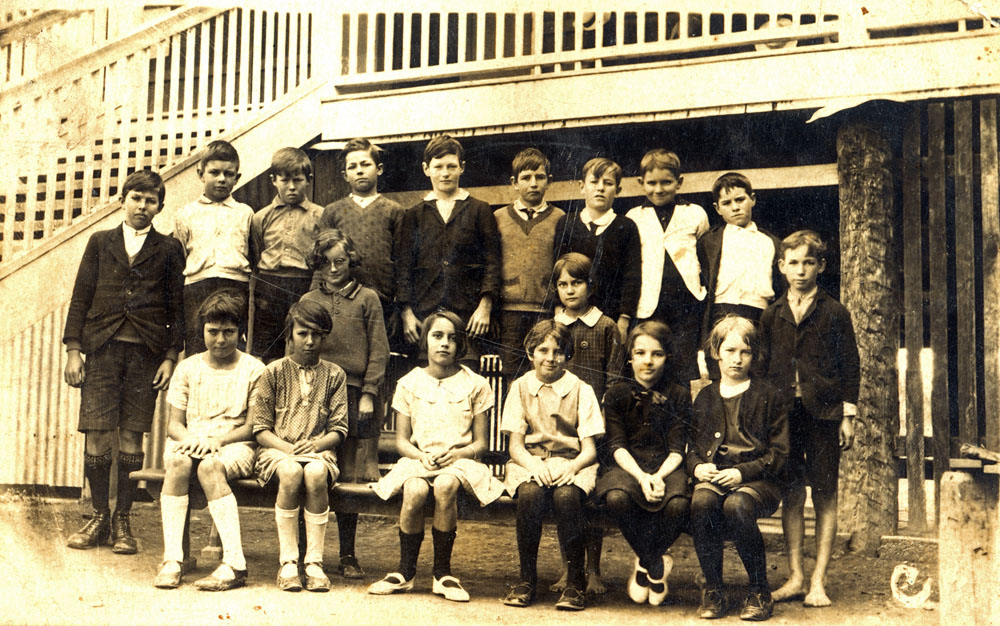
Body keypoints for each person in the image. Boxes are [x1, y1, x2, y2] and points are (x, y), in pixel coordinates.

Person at [62, 169, 185, 554]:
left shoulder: (168, 249)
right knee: (98, 432)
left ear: (160, 207)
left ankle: (123, 519)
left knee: (132, 435)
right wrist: (72, 349)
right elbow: (81, 296)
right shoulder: (100, 243)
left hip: (146, 354)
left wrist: (170, 356)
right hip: (101, 350)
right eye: (136, 198)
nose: (142, 207)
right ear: (123, 200)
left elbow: (177, 308)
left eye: (151, 201)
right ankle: (99, 515)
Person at [367, 311, 505, 602]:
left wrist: (456, 454)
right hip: (420, 459)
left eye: (452, 338)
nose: (445, 344)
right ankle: (405, 572)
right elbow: (402, 441)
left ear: (460, 345)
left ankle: (443, 573)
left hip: (461, 462)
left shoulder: (476, 384)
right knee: (415, 489)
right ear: (426, 341)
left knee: (444, 485)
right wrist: (420, 456)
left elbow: (481, 443)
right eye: (437, 336)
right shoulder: (409, 382)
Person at [759, 231, 860, 608]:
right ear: (782, 266)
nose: (801, 271)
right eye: (793, 263)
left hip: (824, 414)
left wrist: (847, 416)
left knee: (825, 493)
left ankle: (819, 579)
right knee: (791, 493)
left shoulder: (835, 312)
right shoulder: (771, 314)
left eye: (808, 263)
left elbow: (851, 365)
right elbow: (764, 368)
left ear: (821, 266)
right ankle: (796, 576)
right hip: (785, 416)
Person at [154, 291, 266, 590]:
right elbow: (174, 425)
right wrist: (192, 439)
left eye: (229, 332)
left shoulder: (254, 369)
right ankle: (173, 559)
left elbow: (253, 427)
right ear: (202, 329)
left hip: (234, 444)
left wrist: (216, 441)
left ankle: (234, 562)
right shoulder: (187, 367)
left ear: (240, 333)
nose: (220, 340)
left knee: (209, 467)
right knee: (177, 461)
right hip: (192, 440)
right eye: (212, 331)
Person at [301, 228, 390, 580]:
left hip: (354, 393)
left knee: (350, 477)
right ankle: (310, 555)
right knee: (315, 471)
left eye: (340, 261)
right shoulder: (310, 297)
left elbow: (379, 349)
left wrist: (369, 393)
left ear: (351, 260)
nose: (334, 269)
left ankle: (348, 554)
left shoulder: (367, 297)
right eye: (326, 263)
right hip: (317, 390)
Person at [687, 315, 789, 621]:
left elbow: (780, 453)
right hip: (715, 477)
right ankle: (713, 589)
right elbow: (692, 447)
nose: (737, 359)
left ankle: (759, 589)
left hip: (759, 481)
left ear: (754, 355)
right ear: (716, 352)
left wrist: (742, 473)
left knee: (736, 505)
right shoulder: (705, 396)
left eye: (745, 352)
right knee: (703, 500)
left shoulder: (769, 395)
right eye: (730, 351)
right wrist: (698, 469)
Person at [500, 320, 604, 611]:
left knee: (567, 496)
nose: (550, 357)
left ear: (568, 355)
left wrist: (571, 469)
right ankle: (526, 579)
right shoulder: (520, 387)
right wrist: (534, 465)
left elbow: (590, 450)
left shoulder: (581, 389)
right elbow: (516, 446)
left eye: (558, 351)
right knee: (531, 495)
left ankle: (574, 582)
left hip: (572, 463)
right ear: (530, 352)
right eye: (542, 349)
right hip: (530, 462)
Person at [251, 300, 349, 592]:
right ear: (289, 335)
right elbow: (260, 429)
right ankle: (289, 561)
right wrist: (287, 448)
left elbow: (339, 429)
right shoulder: (273, 372)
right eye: (302, 333)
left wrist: (316, 444)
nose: (309, 341)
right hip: (277, 451)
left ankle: (314, 562)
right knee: (292, 472)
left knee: (316, 473)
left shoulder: (334, 375)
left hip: (318, 451)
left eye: (317, 334)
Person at [593, 321, 691, 606]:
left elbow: (677, 448)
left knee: (678, 503)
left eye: (657, 354)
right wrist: (641, 477)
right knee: (617, 496)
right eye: (641, 353)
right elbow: (617, 446)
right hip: (627, 466)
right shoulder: (616, 394)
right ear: (630, 357)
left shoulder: (679, 394)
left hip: (667, 466)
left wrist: (658, 476)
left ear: (667, 357)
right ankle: (656, 563)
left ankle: (643, 564)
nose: (648, 361)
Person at [549, 251, 623, 595]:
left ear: (590, 285)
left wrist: (603, 420)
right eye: (562, 284)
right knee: (567, 497)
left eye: (576, 283)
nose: (569, 290)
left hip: (596, 427)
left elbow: (614, 379)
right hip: (561, 427)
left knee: (590, 497)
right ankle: (570, 569)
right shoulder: (552, 327)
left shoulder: (605, 326)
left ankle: (593, 570)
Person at [396, 134, 501, 361]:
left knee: (466, 378)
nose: (445, 173)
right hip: (425, 315)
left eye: (451, 166)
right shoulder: (414, 215)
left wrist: (485, 307)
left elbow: (492, 263)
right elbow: (403, 268)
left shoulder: (480, 210)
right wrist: (407, 314)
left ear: (462, 168)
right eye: (438, 166)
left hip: (468, 317)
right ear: (426, 169)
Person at [626, 149, 709, 385]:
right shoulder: (635, 216)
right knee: (651, 361)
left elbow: (703, 255)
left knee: (683, 363)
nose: (659, 189)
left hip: (685, 304)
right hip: (650, 304)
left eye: (666, 182)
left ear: (679, 182)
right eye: (651, 183)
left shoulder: (694, 213)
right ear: (641, 183)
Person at [316, 138, 404, 349]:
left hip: (383, 304)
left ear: (379, 169)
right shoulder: (333, 211)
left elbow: (403, 263)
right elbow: (321, 262)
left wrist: (399, 308)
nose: (360, 171)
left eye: (366, 164)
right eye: (353, 167)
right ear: (345, 175)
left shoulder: (394, 211)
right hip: (340, 302)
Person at [172, 140, 253, 354]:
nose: (221, 179)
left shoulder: (245, 212)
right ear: (201, 174)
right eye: (214, 172)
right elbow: (180, 257)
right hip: (198, 288)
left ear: (237, 178)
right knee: (198, 348)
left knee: (233, 346)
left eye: (228, 174)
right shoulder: (185, 214)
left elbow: (252, 253)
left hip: (235, 286)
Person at [697, 172, 781, 379]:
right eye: (727, 203)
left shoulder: (770, 242)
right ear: (717, 208)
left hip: (759, 315)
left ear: (752, 199)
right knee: (725, 370)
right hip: (722, 311)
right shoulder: (709, 241)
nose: (735, 207)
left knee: (757, 369)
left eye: (740, 200)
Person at [494, 147, 565, 381]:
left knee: (545, 374)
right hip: (509, 314)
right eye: (526, 178)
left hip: (545, 312)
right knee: (512, 376)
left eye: (539, 177)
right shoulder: (499, 218)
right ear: (514, 182)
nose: (533, 184)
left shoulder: (560, 219)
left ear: (549, 181)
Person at [554, 157, 640, 341]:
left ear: (618, 190)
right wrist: (557, 314)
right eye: (594, 181)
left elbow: (631, 277)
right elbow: (556, 271)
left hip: (611, 317)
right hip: (570, 315)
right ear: (582, 186)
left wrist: (623, 321)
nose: (600, 188)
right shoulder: (566, 224)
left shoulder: (626, 226)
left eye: (608, 183)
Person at [250, 147, 324, 362]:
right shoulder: (260, 217)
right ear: (274, 180)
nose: (291, 187)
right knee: (265, 345)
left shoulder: (320, 215)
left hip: (304, 284)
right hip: (269, 285)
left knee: (301, 343)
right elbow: (256, 252)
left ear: (308, 179)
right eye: (285, 180)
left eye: (298, 180)